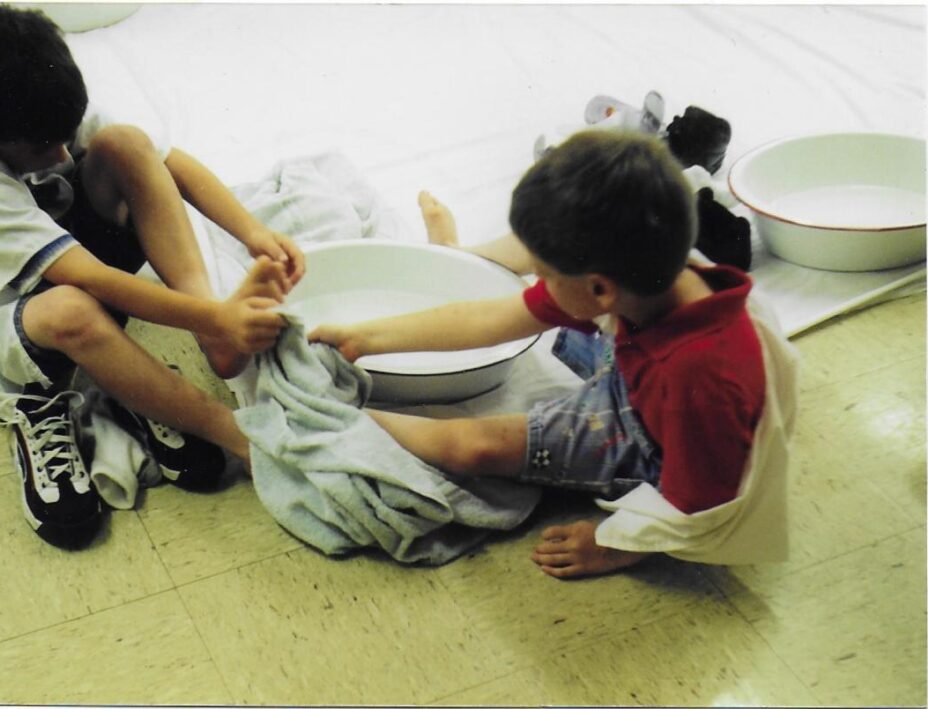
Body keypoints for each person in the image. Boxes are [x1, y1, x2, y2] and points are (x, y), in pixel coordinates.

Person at [310, 130, 798, 578]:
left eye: (542, 274)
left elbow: (698, 501)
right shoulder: (652, 278)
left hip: (653, 441)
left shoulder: (699, 379)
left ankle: (342, 411)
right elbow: (487, 320)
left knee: (469, 446)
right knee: (547, 307)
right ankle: (455, 253)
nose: (536, 284)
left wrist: (616, 543)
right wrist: (364, 339)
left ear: (600, 290)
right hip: (637, 361)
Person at [0, 5, 304, 548]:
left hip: (61, 256)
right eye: (45, 149)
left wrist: (253, 233)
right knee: (71, 309)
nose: (64, 153)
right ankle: (228, 433)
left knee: (124, 144)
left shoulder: (35, 98)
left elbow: (167, 161)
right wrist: (223, 314)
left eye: (65, 135)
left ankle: (205, 341)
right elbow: (92, 280)